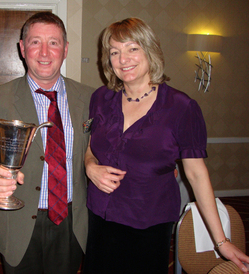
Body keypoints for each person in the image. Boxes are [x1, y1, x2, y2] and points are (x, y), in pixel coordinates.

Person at [83, 18, 249, 274]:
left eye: (132, 48)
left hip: (149, 222)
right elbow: (92, 147)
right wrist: (90, 166)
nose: (123, 58)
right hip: (101, 217)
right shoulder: (101, 98)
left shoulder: (181, 107)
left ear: (150, 51)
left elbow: (196, 174)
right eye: (114, 52)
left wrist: (221, 242)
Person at [0, 12, 94, 274]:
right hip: (18, 220)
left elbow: (101, 151)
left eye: (54, 42)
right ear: (22, 48)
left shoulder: (89, 98)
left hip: (71, 221)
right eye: (36, 42)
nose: (45, 52)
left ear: (66, 49)